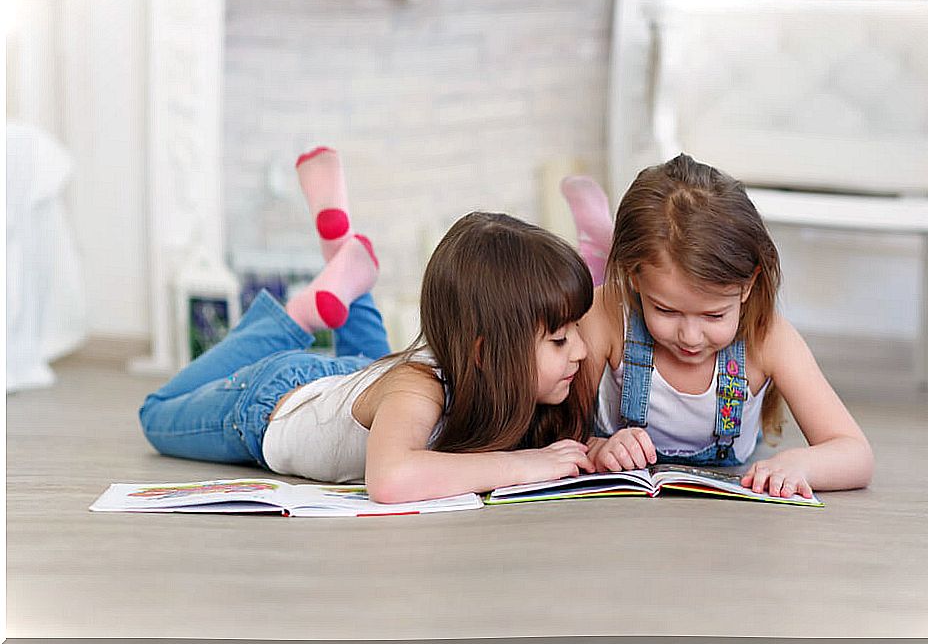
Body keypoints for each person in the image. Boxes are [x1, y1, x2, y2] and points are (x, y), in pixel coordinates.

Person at [139, 147, 596, 504]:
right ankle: (300, 316)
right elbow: (391, 479)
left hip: (359, 383)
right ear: (483, 351)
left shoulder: (487, 381)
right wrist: (523, 466)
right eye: (559, 339)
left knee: (377, 369)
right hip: (270, 402)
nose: (580, 350)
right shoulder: (416, 389)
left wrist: (601, 449)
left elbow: (562, 449)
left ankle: (346, 258)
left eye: (575, 329)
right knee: (157, 413)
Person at [560, 153, 874, 499]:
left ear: (748, 286)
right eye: (666, 310)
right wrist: (595, 447)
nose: (690, 337)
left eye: (714, 316)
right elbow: (555, 433)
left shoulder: (767, 336)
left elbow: (855, 453)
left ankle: (600, 244)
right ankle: (599, 252)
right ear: (635, 277)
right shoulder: (608, 313)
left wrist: (800, 464)